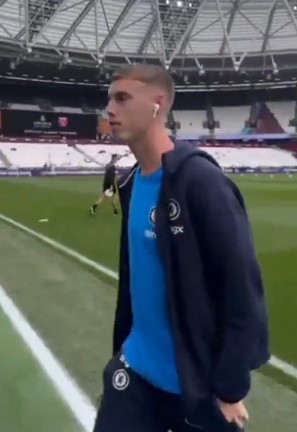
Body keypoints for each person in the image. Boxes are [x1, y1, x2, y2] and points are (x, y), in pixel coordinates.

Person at [92, 64, 270, 432]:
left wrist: (230, 389)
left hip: (195, 386)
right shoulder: (130, 184)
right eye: (109, 98)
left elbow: (243, 291)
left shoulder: (202, 184)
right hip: (136, 373)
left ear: (158, 103)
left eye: (122, 98)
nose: (110, 108)